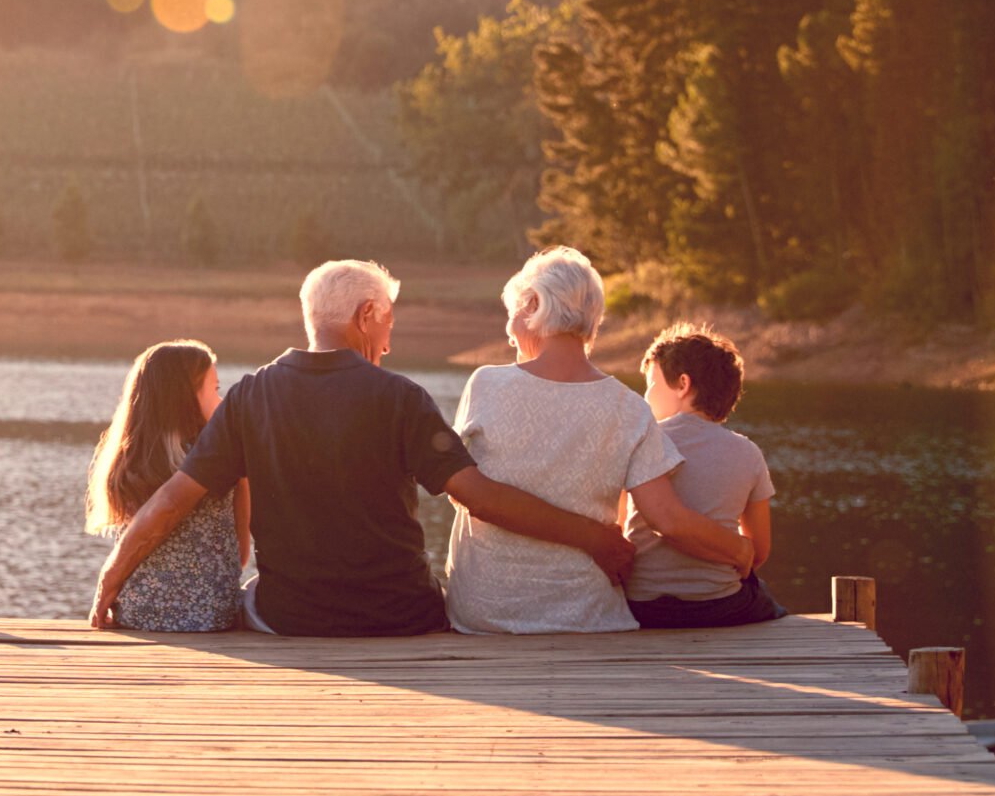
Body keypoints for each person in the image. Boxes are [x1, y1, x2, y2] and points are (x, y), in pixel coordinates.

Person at [90, 258, 637, 637]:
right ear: (365, 316)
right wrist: (595, 537)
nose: (390, 342)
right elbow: (479, 496)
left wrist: (108, 584)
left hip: (290, 620)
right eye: (388, 323)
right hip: (401, 617)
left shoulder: (250, 396)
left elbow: (168, 503)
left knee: (251, 595)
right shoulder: (402, 398)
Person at [442, 247, 754, 634]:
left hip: (484, 612)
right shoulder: (628, 407)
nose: (508, 333)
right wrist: (739, 548)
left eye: (512, 315)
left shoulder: (486, 384)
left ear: (535, 305)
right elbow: (668, 519)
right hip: (584, 614)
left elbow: (462, 493)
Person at [623, 322, 789, 628]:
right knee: (764, 597)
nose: (645, 395)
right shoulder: (748, 453)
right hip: (719, 606)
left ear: (683, 384)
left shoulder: (640, 442)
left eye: (650, 384)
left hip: (643, 607)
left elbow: (622, 533)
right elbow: (759, 551)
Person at [85, 340, 249, 631]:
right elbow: (241, 551)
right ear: (184, 397)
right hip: (211, 615)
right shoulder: (221, 457)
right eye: (215, 390)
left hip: (140, 612)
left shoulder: (130, 459)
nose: (222, 402)